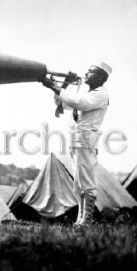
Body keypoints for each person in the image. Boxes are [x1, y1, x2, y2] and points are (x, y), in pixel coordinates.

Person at [41, 61, 112, 228]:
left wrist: (55, 86)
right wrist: (63, 84)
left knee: (86, 182)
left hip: (86, 141)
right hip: (77, 141)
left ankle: (86, 220)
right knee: (78, 183)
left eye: (91, 72)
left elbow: (78, 102)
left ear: (101, 77)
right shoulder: (88, 91)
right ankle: (81, 219)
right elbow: (63, 103)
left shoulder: (100, 94)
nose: (86, 74)